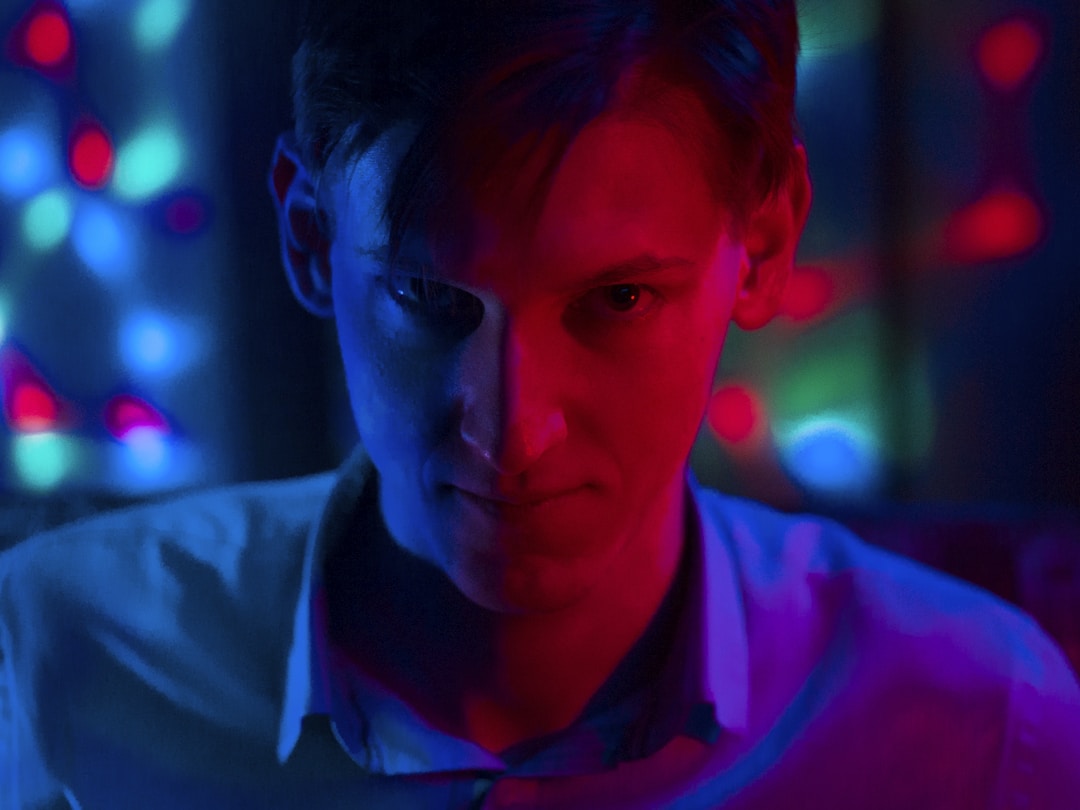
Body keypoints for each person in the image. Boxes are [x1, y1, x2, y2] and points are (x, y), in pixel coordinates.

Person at [2, 0, 1079, 807]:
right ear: (310, 238)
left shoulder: (982, 727)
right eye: (432, 300)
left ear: (763, 241)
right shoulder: (56, 662)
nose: (514, 429)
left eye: (618, 300)